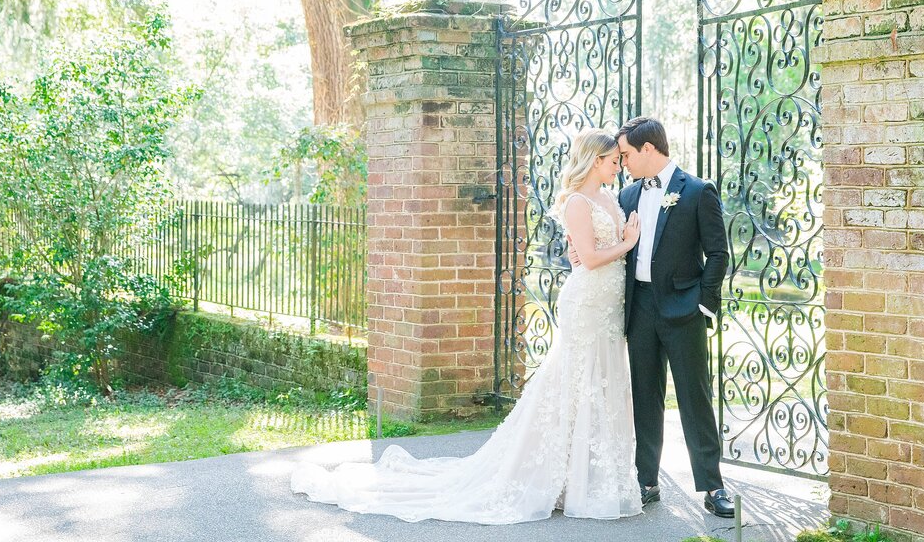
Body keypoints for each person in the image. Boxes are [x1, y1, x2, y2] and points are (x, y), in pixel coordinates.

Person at [290, 128, 643, 524]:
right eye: (614, 160)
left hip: (609, 306)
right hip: (587, 304)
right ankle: (556, 477)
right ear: (595, 160)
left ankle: (586, 478)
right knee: (575, 382)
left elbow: (597, 254)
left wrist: (624, 245)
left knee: (599, 383)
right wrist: (627, 243)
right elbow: (591, 259)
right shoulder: (578, 202)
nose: (619, 165)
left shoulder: (610, 196)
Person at [572, 116, 733, 518]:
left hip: (684, 309)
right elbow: (591, 237)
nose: (621, 161)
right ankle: (646, 481)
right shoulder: (625, 196)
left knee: (695, 397)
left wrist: (703, 303)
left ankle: (712, 487)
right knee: (644, 397)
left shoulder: (697, 191)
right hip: (638, 309)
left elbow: (718, 253)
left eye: (625, 154)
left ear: (648, 150)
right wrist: (575, 254)